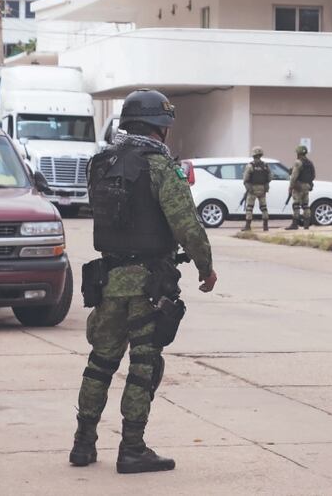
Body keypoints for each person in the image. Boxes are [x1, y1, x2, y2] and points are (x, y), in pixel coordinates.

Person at [70, 89, 218, 474]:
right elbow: (186, 224)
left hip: (107, 279)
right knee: (143, 365)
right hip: (148, 284)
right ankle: (132, 449)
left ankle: (83, 443)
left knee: (100, 362)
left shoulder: (100, 163)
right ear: (160, 127)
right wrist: (205, 267)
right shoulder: (159, 166)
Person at [242, 146, 271, 232]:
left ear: (253, 155)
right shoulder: (265, 165)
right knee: (264, 207)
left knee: (249, 207)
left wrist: (248, 187)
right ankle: (265, 226)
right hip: (262, 188)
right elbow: (270, 177)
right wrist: (265, 184)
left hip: (252, 189)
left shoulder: (250, 165)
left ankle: (248, 226)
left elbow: (245, 179)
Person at [287, 144, 315, 230]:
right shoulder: (310, 163)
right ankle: (306, 224)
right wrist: (308, 183)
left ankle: (295, 224)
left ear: (298, 153)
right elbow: (313, 175)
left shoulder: (298, 162)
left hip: (298, 186)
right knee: (305, 205)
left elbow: (293, 176)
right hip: (307, 186)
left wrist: (290, 187)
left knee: (296, 205)